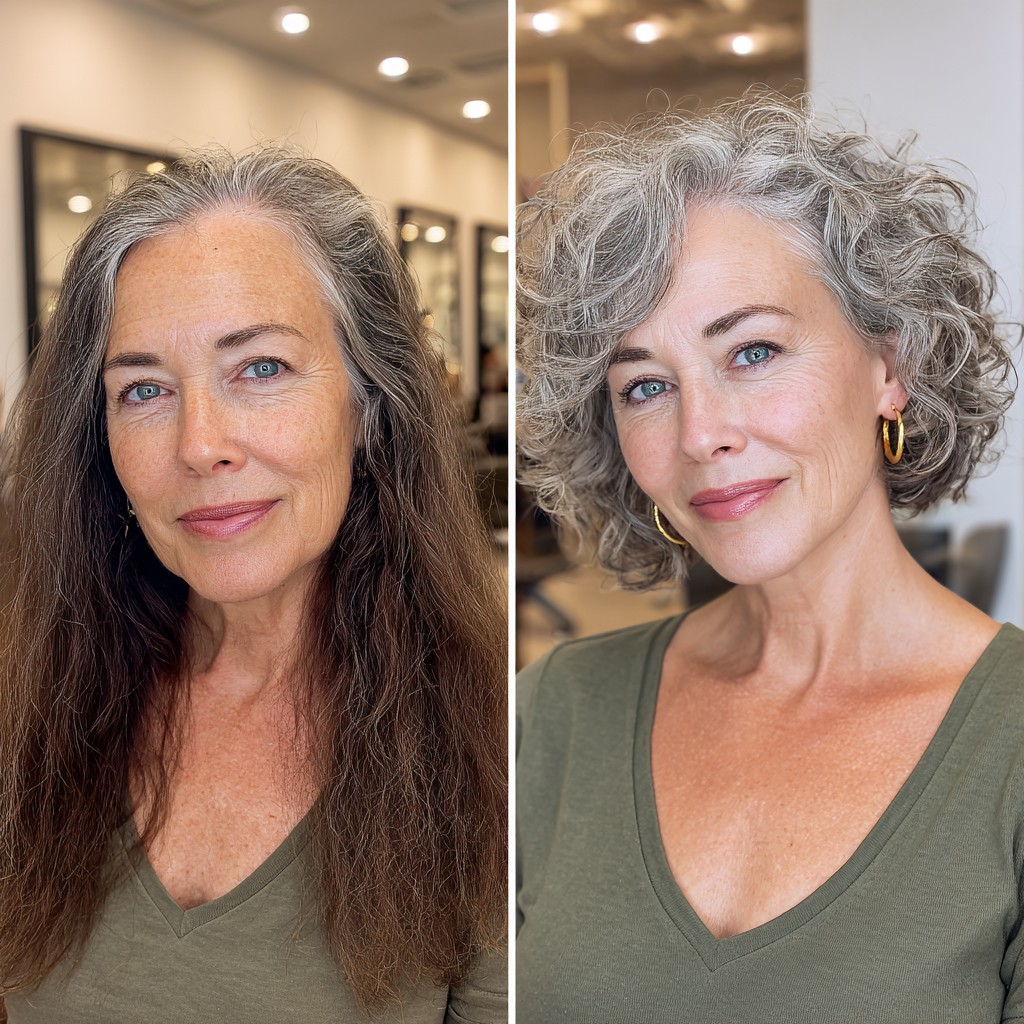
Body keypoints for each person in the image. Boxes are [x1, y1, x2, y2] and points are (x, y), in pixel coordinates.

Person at [516, 92, 1024, 1022]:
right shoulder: (555, 711)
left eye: (752, 351)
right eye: (645, 386)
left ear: (891, 364)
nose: (700, 433)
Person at [0, 148, 506, 1022]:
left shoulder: (497, 749)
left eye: (261, 368)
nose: (200, 445)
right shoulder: (30, 699)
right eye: (144, 390)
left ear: (370, 404)